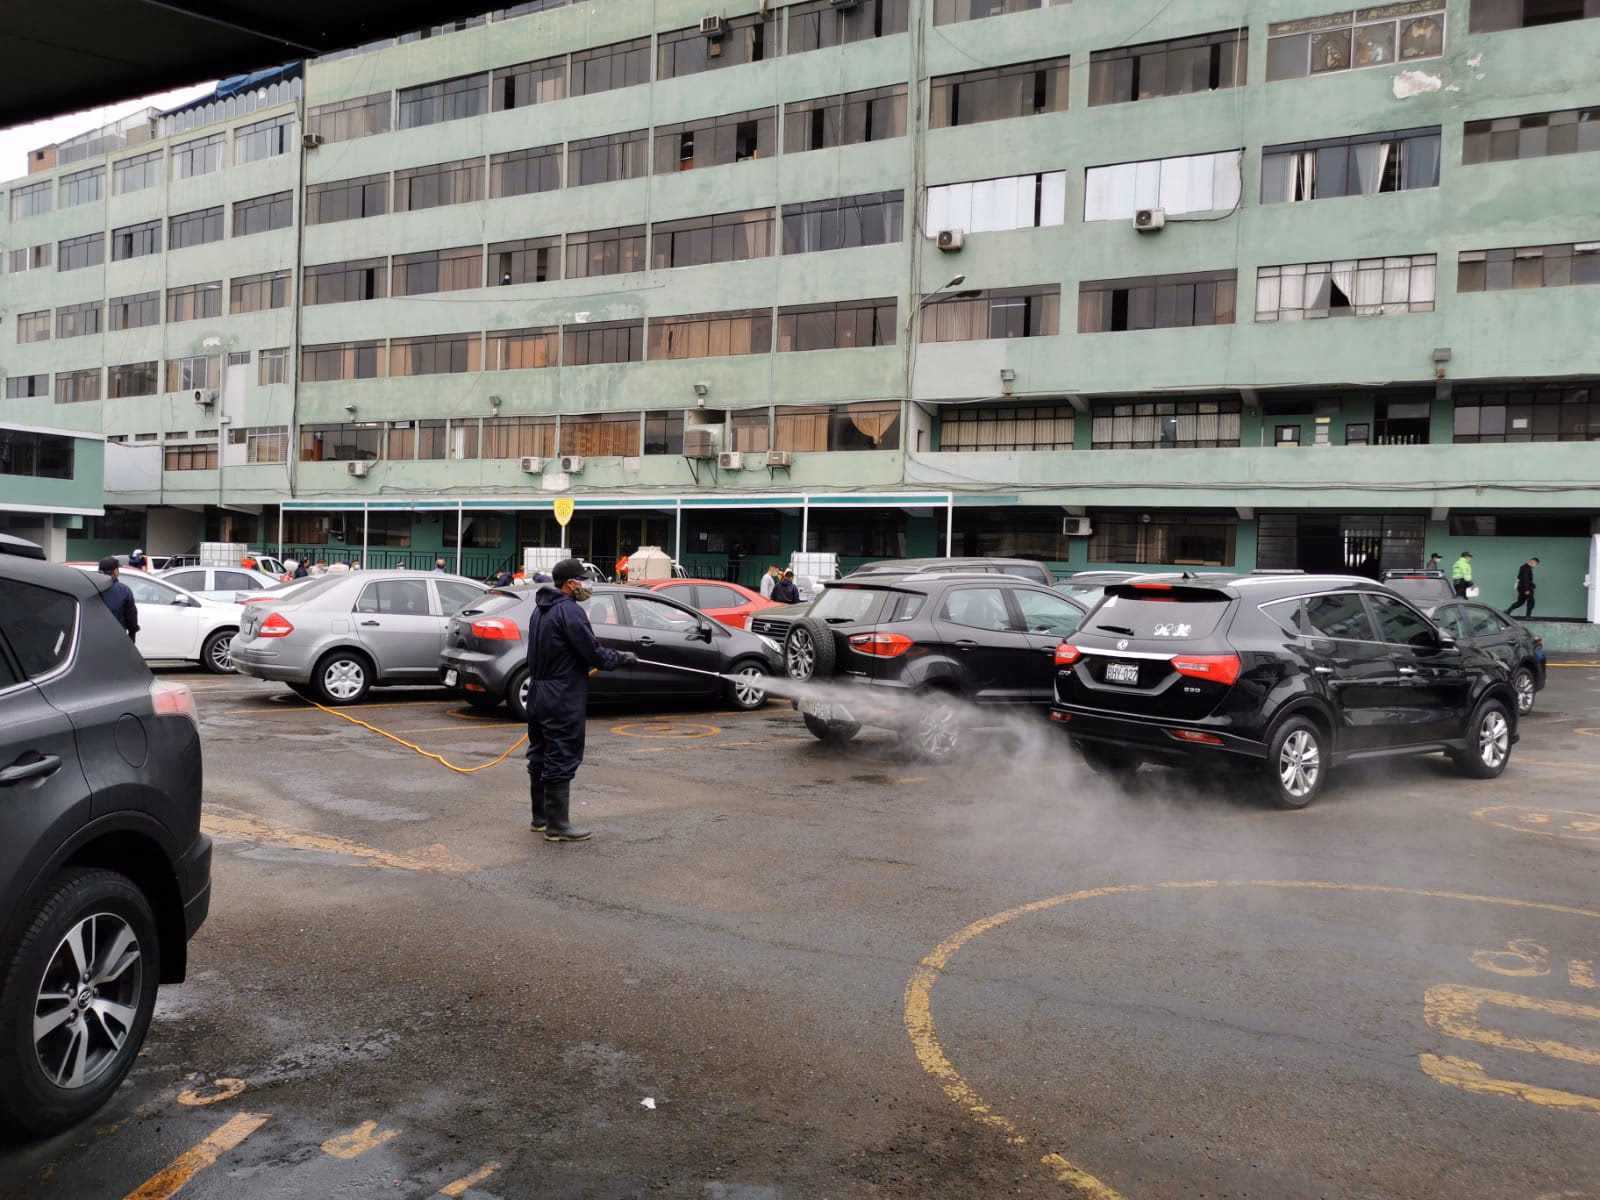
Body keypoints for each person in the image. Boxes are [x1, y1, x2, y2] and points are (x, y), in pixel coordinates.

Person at [526, 558, 637, 842]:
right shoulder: (569, 611)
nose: (587, 585)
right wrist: (620, 658)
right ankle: (558, 827)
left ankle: (541, 819)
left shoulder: (541, 610)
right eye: (583, 580)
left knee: (540, 752)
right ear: (569, 583)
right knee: (561, 753)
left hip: (539, 693)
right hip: (562, 695)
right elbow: (592, 652)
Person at [98, 556, 139, 643]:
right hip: (117, 637)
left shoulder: (92, 588)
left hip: (95, 637)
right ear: (115, 572)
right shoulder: (124, 591)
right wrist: (132, 634)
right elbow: (131, 617)